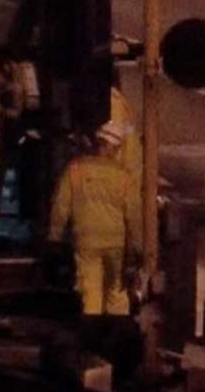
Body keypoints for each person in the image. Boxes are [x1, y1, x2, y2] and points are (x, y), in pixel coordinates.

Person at [48, 123, 141, 317]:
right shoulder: (123, 176)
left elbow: (61, 206)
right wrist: (137, 248)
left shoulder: (75, 170)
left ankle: (93, 335)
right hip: (116, 243)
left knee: (90, 291)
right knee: (117, 291)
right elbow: (133, 214)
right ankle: (116, 334)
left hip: (86, 241)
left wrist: (55, 237)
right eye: (117, 148)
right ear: (110, 146)